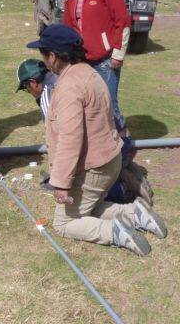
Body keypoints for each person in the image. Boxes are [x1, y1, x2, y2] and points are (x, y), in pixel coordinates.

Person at [26, 24, 167, 256]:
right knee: (87, 208)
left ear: (53, 57)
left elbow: (71, 138)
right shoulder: (91, 73)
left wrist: (60, 182)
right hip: (110, 160)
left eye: (43, 55)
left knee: (64, 223)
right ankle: (135, 213)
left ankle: (115, 231)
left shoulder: (69, 86)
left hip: (95, 168)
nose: (44, 61)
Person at [16, 58, 153, 205]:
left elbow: (64, 139)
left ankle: (124, 188)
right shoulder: (75, 76)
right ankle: (121, 169)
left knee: (86, 197)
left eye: (26, 88)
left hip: (99, 154)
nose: (28, 92)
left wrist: (60, 179)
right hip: (118, 142)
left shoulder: (49, 96)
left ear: (32, 82)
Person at [61, 0, 130, 134]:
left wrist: (118, 54)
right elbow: (68, 29)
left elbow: (122, 22)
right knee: (89, 105)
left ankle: (123, 148)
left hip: (106, 61)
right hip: (81, 61)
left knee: (109, 106)